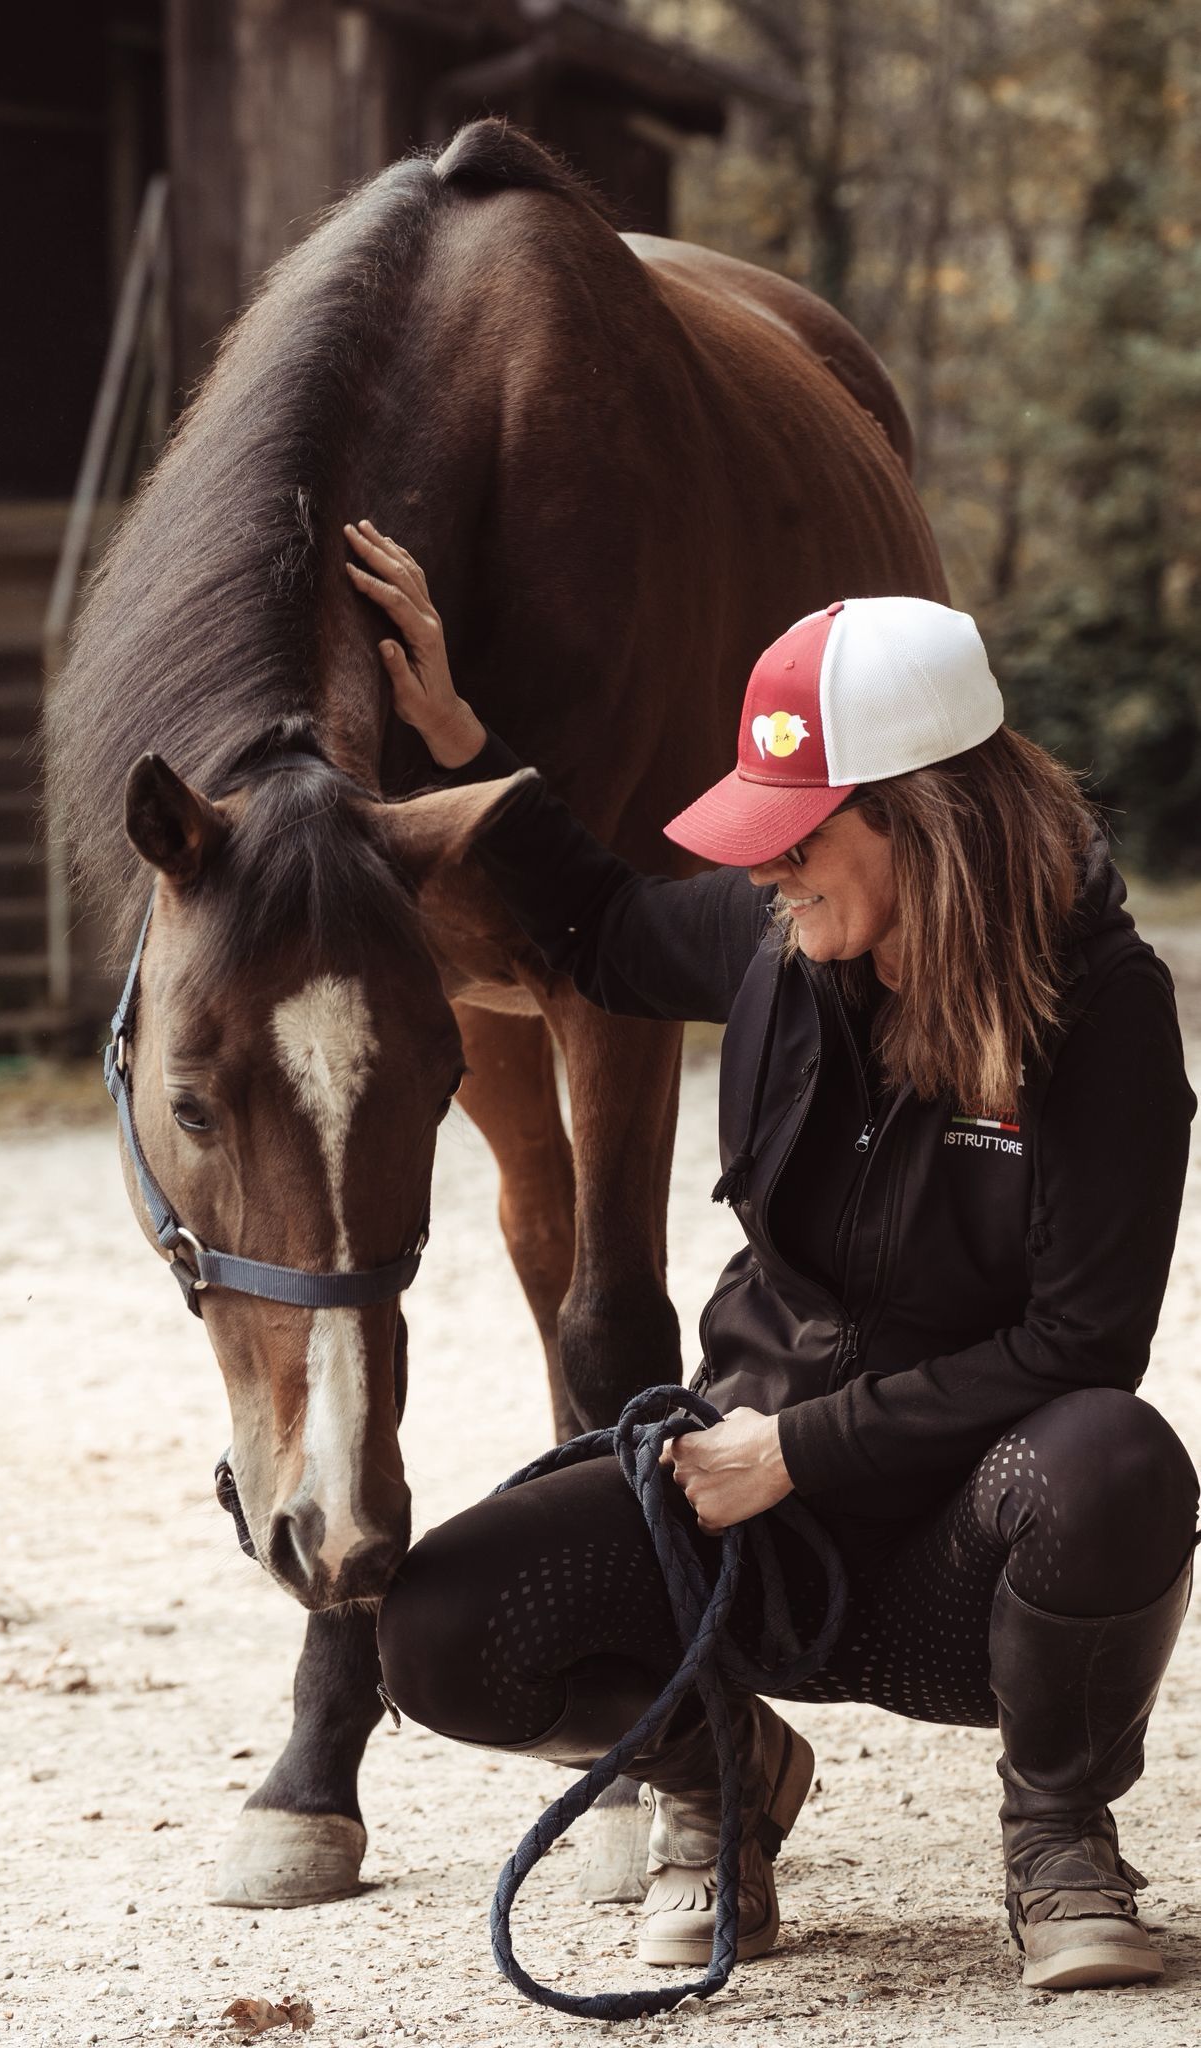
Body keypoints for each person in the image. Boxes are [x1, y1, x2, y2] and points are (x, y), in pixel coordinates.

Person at [342, 518, 1199, 1993]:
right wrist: (460, 739)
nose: (768, 869)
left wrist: (799, 1448)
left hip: (966, 1542)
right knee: (431, 1630)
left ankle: (1060, 1836)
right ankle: (723, 1772)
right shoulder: (780, 943)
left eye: (798, 834)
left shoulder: (1104, 1012)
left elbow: (1082, 1343)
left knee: (1119, 1459)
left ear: (926, 817)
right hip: (744, 1527)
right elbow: (604, 929)